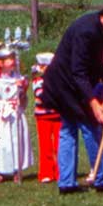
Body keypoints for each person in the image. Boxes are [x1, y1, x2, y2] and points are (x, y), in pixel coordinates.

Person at [40, 0, 103, 194]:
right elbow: (78, 71)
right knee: (86, 126)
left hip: (77, 82)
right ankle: (97, 178)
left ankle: (72, 181)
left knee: (74, 128)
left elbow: (99, 64)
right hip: (63, 84)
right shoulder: (86, 31)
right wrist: (94, 103)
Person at [0, 45, 30, 184]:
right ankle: (0, 171)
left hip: (15, 114)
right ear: (0, 62)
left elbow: (23, 97)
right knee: (0, 143)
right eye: (8, 59)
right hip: (1, 114)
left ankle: (17, 170)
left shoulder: (19, 77)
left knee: (16, 141)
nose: (13, 61)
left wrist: (22, 90)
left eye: (13, 58)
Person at [31, 53, 61, 183]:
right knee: (45, 145)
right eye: (42, 66)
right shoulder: (38, 81)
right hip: (43, 116)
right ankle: (46, 172)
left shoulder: (60, 80)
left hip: (58, 115)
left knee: (59, 145)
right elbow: (41, 95)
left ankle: (61, 171)